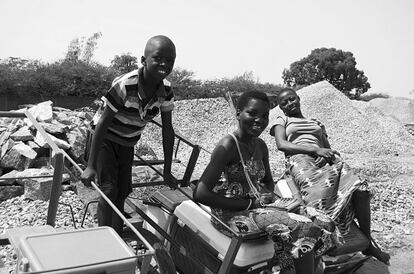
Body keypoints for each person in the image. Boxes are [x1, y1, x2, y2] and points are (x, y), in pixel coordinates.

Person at [193, 90, 341, 273]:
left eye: (264, 116)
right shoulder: (228, 146)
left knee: (324, 221)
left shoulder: (260, 146)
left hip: (257, 208)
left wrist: (268, 194)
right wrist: (248, 202)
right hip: (230, 216)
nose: (259, 120)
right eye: (252, 113)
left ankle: (293, 268)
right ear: (238, 113)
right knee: (304, 227)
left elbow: (268, 181)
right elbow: (200, 193)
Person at [270, 87, 390, 265]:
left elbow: (326, 146)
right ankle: (320, 245)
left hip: (322, 158)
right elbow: (282, 144)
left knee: (361, 190)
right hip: (299, 159)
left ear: (298, 98)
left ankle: (368, 241)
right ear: (281, 108)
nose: (289, 103)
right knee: (318, 198)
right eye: (284, 102)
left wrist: (327, 153)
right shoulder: (282, 119)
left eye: (291, 99)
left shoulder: (316, 123)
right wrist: (314, 150)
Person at [81, 35, 176, 235]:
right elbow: (103, 123)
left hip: (127, 142)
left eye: (170, 60)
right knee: (108, 190)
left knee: (123, 190)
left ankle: (116, 233)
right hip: (105, 138)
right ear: (143, 60)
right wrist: (90, 166)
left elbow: (168, 130)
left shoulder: (166, 91)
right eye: (158, 58)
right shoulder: (126, 85)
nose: (164, 63)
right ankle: (105, 237)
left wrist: (167, 171)